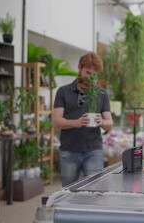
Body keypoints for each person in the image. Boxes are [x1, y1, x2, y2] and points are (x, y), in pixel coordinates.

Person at [53, 52, 113, 187]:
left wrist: (102, 122)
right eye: (87, 73)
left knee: (95, 189)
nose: (90, 78)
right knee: (68, 190)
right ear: (79, 67)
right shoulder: (63, 92)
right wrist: (77, 122)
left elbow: (109, 123)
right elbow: (56, 121)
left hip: (93, 150)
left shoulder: (101, 94)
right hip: (69, 150)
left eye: (94, 75)